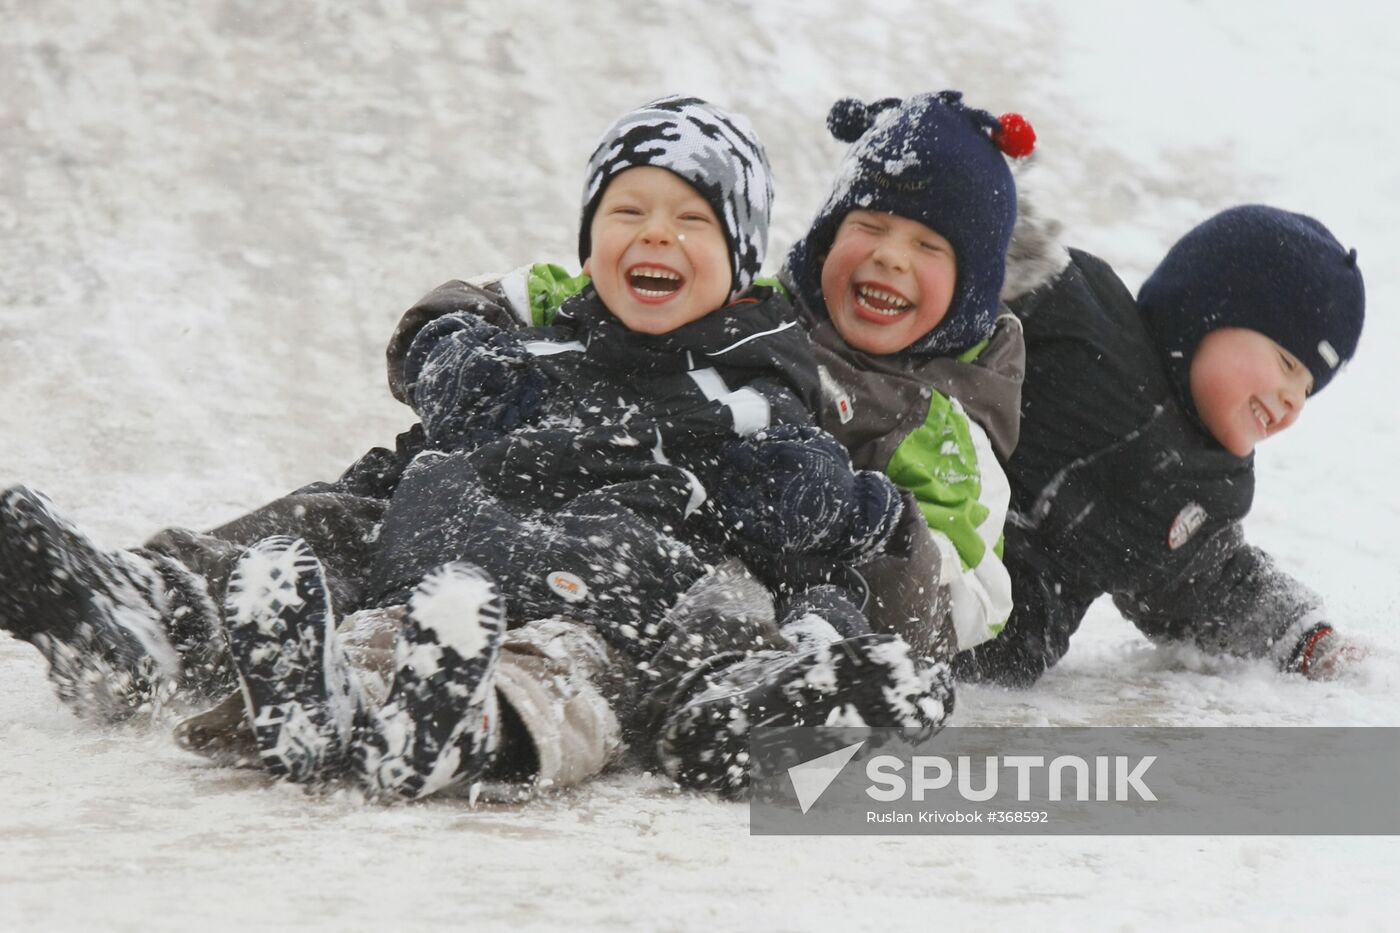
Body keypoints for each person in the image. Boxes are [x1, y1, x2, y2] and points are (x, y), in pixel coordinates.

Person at [0, 96, 950, 801]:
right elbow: (424, 406)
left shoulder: (757, 386)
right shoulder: (534, 346)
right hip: (449, 546)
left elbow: (814, 516)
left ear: (739, 261)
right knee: (336, 527)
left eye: (692, 220)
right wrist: (452, 373)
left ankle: (466, 726)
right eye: (628, 213)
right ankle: (166, 619)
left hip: (611, 583)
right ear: (588, 241)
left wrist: (814, 500)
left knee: (559, 661)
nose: (655, 233)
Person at [952, 204, 1367, 687]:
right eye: (1287, 364)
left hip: (988, 646)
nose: (1293, 402)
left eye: (1308, 390)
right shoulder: (1081, 317)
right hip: (910, 522)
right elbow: (977, 260)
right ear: (1209, 309)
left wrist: (1304, 638)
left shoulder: (1203, 487)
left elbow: (1215, 586)